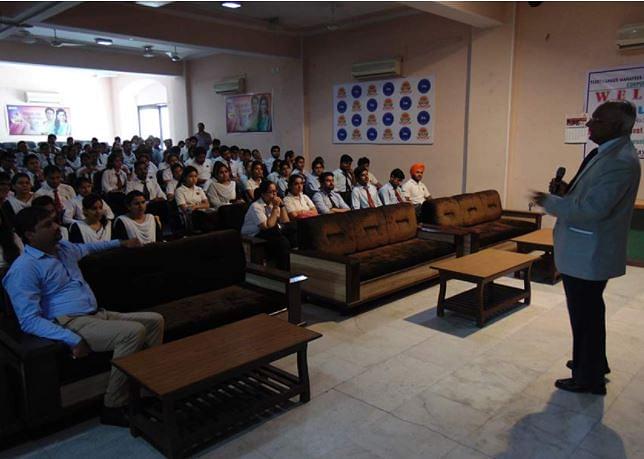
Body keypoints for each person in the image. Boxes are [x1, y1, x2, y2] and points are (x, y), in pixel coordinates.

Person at [3, 205, 161, 427]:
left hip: (97, 314)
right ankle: (113, 405)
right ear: (30, 234)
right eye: (47, 225)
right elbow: (29, 320)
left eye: (55, 221)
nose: (57, 227)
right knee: (132, 333)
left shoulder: (64, 248)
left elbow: (90, 247)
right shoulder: (24, 268)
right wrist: (71, 338)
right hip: (71, 321)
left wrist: (121, 242)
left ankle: (145, 391)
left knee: (154, 321)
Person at [530, 100, 641, 396]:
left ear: (617, 126)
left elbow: (592, 210)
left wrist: (550, 202)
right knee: (588, 314)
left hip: (589, 253)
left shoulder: (620, 161)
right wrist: (567, 191)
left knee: (585, 317)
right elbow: (590, 196)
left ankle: (587, 379)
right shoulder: (605, 152)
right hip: (584, 250)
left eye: (597, 120)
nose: (589, 124)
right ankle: (592, 363)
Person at [241, 180, 294, 270]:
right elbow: (267, 226)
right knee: (282, 242)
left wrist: (282, 206)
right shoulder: (256, 206)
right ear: (263, 194)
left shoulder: (272, 204)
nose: (274, 194)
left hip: (270, 233)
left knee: (291, 230)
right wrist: (275, 207)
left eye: (275, 191)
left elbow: (285, 222)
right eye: (271, 192)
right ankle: (283, 272)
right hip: (254, 236)